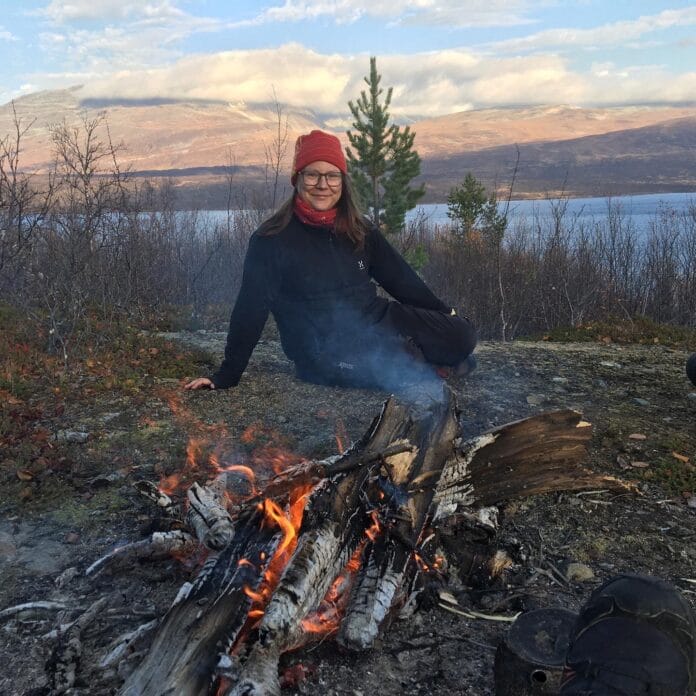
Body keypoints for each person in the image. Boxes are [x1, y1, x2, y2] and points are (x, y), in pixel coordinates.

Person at [184, 129, 476, 393]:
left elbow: (403, 281)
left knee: (463, 335)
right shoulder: (271, 239)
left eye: (332, 175)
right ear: (297, 179)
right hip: (322, 348)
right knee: (398, 368)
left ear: (343, 181)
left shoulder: (359, 229)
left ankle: (423, 359)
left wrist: (444, 315)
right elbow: (250, 309)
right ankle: (425, 363)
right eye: (312, 174)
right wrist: (227, 374)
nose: (323, 184)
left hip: (375, 321)